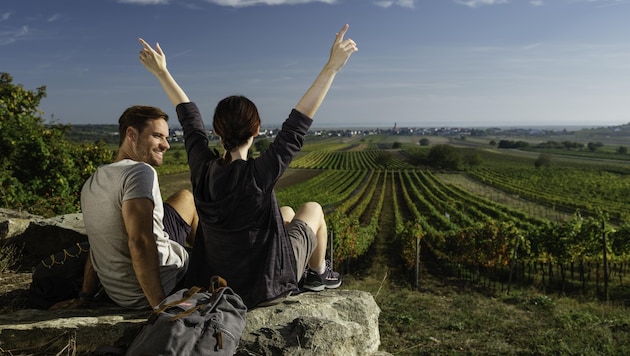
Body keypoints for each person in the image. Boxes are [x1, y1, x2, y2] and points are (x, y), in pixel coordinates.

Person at [138, 24, 358, 308]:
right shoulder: (259, 173)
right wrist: (332, 68)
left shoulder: (203, 169)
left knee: (286, 212)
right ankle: (317, 274)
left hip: (216, 284)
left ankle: (313, 271)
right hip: (264, 289)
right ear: (256, 132)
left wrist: (161, 72)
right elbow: (299, 122)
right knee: (313, 209)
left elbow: (189, 117)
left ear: (217, 133)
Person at [78, 105, 199, 310]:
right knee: (218, 257)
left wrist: (85, 296)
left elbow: (96, 244)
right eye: (158, 136)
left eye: (166, 138)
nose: (166, 145)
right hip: (159, 286)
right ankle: (206, 255)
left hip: (119, 294)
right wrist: (159, 307)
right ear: (132, 134)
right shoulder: (140, 172)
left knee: (185, 197)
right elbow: (140, 242)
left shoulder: (92, 182)